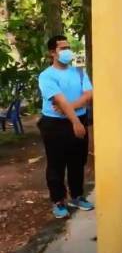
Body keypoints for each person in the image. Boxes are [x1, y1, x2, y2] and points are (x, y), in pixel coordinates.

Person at [38, 35, 94, 218]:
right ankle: (58, 201)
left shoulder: (79, 72)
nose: (68, 50)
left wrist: (71, 108)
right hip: (55, 125)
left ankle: (77, 196)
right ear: (52, 52)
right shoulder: (47, 76)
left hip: (78, 117)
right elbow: (58, 99)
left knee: (78, 161)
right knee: (56, 164)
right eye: (63, 48)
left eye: (68, 46)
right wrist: (75, 122)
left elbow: (89, 95)